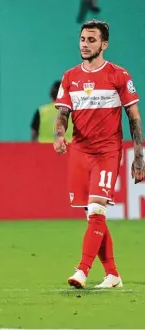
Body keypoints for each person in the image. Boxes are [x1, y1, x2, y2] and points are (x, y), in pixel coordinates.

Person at [54, 19, 144, 289]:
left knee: (96, 209)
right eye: (83, 39)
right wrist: (59, 135)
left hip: (107, 151)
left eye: (91, 40)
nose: (85, 44)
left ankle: (82, 270)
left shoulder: (119, 75)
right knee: (93, 215)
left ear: (104, 44)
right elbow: (62, 115)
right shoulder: (70, 77)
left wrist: (139, 156)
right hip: (81, 151)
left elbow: (134, 118)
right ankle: (113, 274)